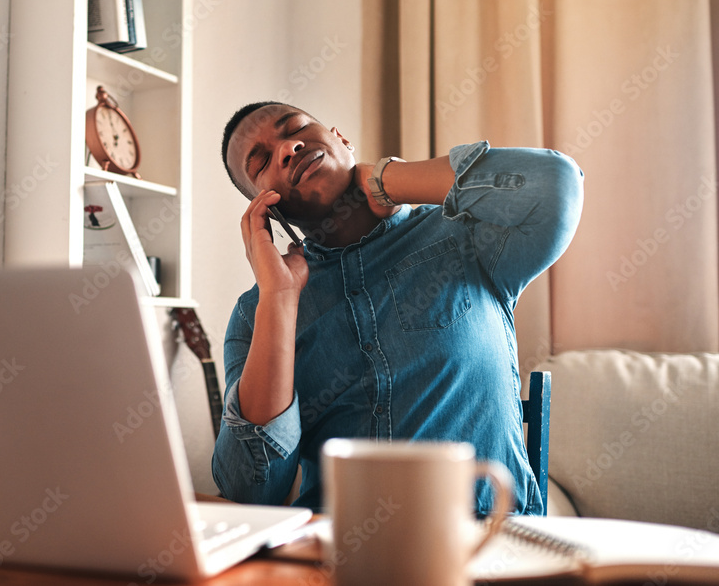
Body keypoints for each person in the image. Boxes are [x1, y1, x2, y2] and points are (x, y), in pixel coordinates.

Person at [212, 101, 584, 515]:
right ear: (266, 207)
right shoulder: (255, 314)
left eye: (295, 128)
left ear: (340, 139)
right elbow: (248, 490)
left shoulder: (470, 236)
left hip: (487, 546)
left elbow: (556, 184)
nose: (287, 148)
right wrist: (279, 301)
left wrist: (387, 179)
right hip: (336, 555)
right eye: (262, 162)